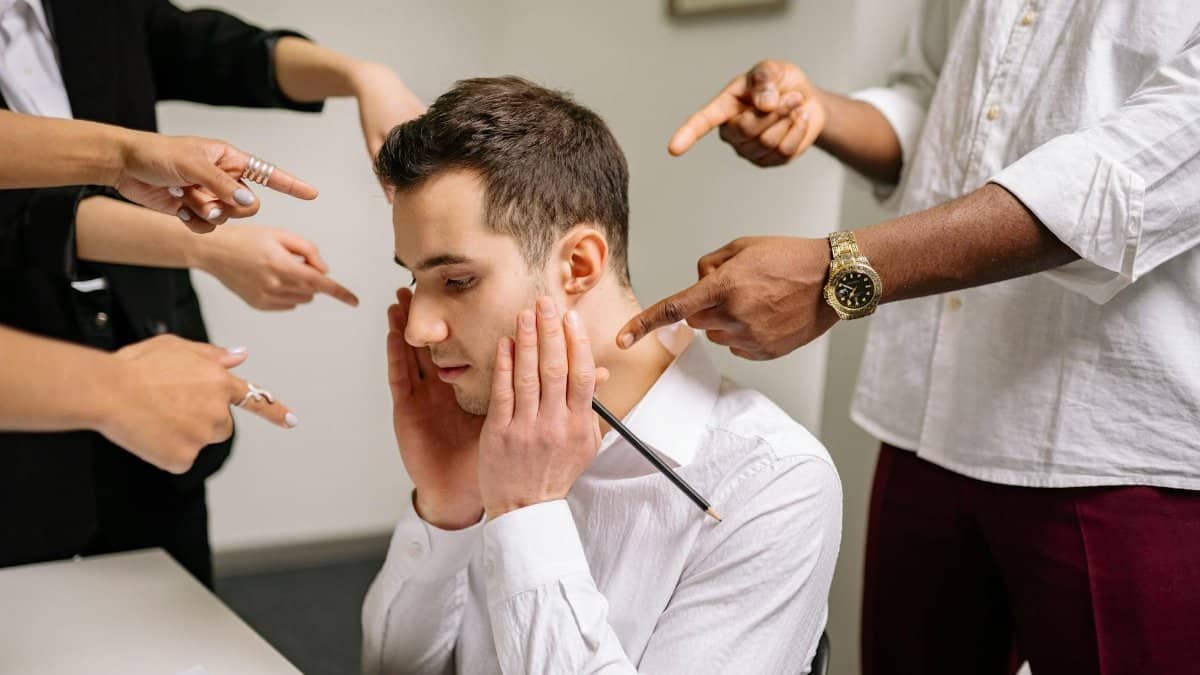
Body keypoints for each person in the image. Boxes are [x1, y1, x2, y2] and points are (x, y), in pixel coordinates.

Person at [620, 3, 1200, 673]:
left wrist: (835, 271)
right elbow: (937, 101)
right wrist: (820, 112)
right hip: (927, 412)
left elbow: (1118, 183)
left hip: (1115, 447)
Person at [361, 77, 841, 674]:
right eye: (415, 281)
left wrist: (526, 513)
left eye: (457, 281)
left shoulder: (770, 483)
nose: (419, 329)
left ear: (578, 265)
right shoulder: (482, 423)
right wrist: (446, 507)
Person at [0, 0, 420, 586]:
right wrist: (203, 245)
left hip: (143, 333)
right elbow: (21, 216)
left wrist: (360, 74)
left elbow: (209, 47)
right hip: (27, 371)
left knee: (172, 595)